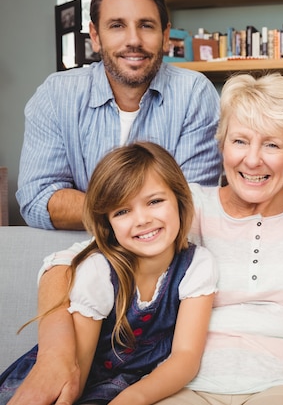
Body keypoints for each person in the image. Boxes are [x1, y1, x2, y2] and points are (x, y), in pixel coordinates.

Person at [12, 73, 283, 405]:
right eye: (240, 141)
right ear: (222, 145)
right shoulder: (187, 206)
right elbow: (69, 263)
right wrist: (54, 354)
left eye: (273, 145)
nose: (253, 160)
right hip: (188, 376)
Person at [1, 142, 218, 404]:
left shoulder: (197, 265)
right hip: (73, 385)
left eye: (155, 201)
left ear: (180, 200)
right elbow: (75, 372)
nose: (142, 219)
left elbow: (185, 357)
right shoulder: (99, 271)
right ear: (109, 223)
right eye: (123, 211)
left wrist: (132, 398)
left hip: (133, 389)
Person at [17, 0, 222, 231]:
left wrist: (97, 209)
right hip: (81, 254)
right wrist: (138, 211)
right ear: (95, 35)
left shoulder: (194, 93)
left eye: (146, 25)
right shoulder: (56, 95)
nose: (133, 40)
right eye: (117, 25)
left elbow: (189, 204)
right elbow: (38, 199)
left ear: (166, 35)